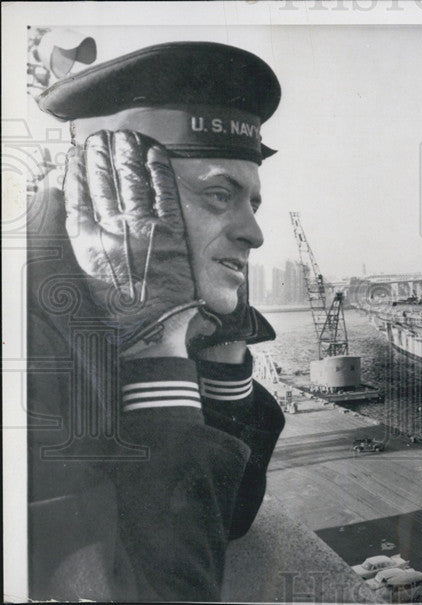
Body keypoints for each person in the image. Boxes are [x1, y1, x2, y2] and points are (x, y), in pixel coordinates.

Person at [26, 41, 285, 601]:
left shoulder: (135, 286)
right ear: (114, 189)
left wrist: (221, 354)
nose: (253, 233)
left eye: (253, 203)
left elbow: (230, 518)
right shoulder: (21, 334)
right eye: (220, 194)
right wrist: (154, 351)